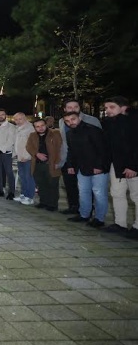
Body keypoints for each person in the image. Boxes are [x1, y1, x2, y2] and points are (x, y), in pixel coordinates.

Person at [64, 111, 109, 227]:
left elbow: (103, 149)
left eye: (73, 119)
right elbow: (71, 151)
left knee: (99, 193)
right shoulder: (69, 134)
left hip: (98, 168)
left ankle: (99, 218)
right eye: (67, 121)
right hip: (82, 168)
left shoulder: (93, 130)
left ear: (79, 118)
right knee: (83, 192)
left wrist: (99, 166)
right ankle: (84, 215)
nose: (70, 123)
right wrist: (70, 165)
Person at [102, 96, 138, 238]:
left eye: (112, 107)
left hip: (133, 166)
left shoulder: (134, 121)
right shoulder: (110, 123)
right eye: (106, 108)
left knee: (136, 196)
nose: (108, 110)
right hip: (116, 165)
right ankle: (120, 223)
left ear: (123, 107)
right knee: (117, 194)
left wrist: (133, 166)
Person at [59, 100, 102, 215]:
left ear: (80, 108)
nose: (72, 109)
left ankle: (91, 210)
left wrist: (98, 163)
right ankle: (74, 206)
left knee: (89, 188)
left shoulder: (92, 120)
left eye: (75, 106)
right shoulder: (61, 121)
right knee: (70, 184)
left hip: (87, 160)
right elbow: (64, 141)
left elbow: (99, 143)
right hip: (68, 158)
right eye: (69, 107)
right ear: (65, 109)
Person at [26, 119, 62, 212]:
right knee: (41, 184)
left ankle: (53, 204)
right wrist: (37, 154)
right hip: (38, 164)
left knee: (52, 184)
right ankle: (43, 202)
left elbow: (60, 148)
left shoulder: (55, 133)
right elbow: (28, 147)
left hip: (51, 164)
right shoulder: (32, 135)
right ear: (34, 128)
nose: (40, 128)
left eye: (42, 125)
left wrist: (58, 162)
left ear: (46, 125)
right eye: (37, 126)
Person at [13, 113, 36, 205]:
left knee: (29, 177)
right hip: (20, 157)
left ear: (25, 118)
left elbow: (32, 145)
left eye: (20, 119)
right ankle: (23, 194)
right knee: (22, 177)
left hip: (27, 158)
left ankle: (29, 197)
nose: (18, 121)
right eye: (16, 120)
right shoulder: (17, 128)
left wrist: (27, 156)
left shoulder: (30, 129)